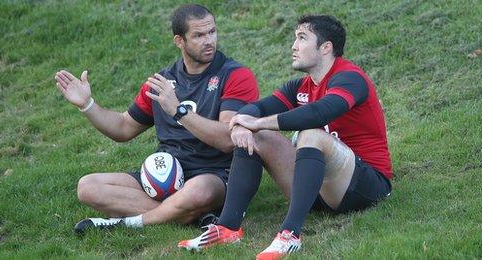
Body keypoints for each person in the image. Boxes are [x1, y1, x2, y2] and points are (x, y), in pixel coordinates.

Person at [178, 14, 393, 259]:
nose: (293, 46)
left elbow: (319, 113)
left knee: (310, 134)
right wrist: (241, 125)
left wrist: (257, 123)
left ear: (325, 48)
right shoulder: (299, 86)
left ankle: (290, 235)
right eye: (295, 38)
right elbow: (256, 108)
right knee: (258, 136)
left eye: (302, 38)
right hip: (321, 191)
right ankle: (227, 228)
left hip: (366, 184)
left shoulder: (350, 77)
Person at [54, 4, 258, 234]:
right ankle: (189, 214)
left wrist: (178, 110)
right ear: (179, 41)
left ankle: (126, 223)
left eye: (212, 32)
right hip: (166, 174)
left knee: (199, 191)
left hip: (214, 174)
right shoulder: (162, 82)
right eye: (199, 35)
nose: (209, 40)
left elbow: (227, 139)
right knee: (88, 187)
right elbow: (123, 128)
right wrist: (87, 105)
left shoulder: (237, 75)